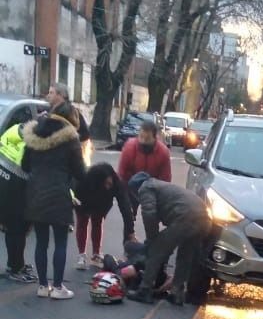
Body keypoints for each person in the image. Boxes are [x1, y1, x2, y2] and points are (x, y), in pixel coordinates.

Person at [22, 103, 85, 299]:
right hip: (59, 195)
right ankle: (58, 287)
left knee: (41, 242)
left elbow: (24, 165)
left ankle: (42, 286)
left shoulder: (33, 134)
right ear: (72, 120)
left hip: (35, 193)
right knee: (60, 242)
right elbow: (80, 172)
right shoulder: (71, 139)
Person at [126, 172, 209, 305]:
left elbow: (149, 214)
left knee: (156, 251)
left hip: (185, 217)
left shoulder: (146, 187)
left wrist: (152, 239)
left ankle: (145, 290)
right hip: (204, 218)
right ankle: (177, 293)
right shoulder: (161, 186)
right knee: (185, 255)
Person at [74, 163, 137, 269]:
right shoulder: (84, 181)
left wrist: (131, 231)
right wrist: (80, 206)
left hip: (103, 204)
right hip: (83, 200)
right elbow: (76, 195)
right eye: (106, 183)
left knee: (97, 222)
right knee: (82, 223)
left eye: (110, 182)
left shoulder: (117, 184)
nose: (109, 185)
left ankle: (96, 254)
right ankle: (81, 255)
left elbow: (125, 208)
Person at [0, 115, 37, 282]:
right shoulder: (34, 144)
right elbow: (29, 169)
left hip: (3, 181)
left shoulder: (15, 129)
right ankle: (15, 268)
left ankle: (16, 265)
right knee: (18, 229)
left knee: (12, 228)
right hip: (16, 187)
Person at [119, 122, 171, 216]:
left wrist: (162, 199)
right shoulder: (129, 147)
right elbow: (122, 173)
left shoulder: (163, 152)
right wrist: (123, 194)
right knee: (128, 213)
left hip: (152, 186)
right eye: (141, 137)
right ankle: (130, 220)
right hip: (131, 185)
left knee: (152, 214)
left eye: (147, 139)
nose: (143, 141)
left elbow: (165, 179)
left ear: (155, 138)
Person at [47, 81, 91, 153]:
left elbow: (84, 134)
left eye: (51, 93)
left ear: (61, 95)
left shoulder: (70, 112)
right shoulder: (51, 110)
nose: (48, 95)